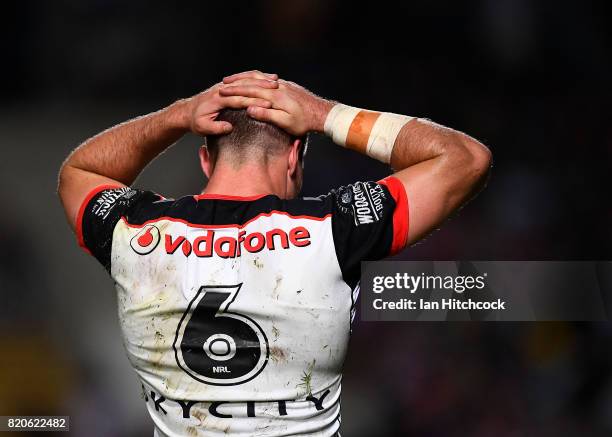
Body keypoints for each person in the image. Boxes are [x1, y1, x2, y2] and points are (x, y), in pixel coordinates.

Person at [58, 70, 491, 436]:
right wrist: (324, 114)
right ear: (294, 159)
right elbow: (464, 158)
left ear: (206, 159)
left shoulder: (134, 232)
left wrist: (179, 115)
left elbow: (80, 171)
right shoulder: (332, 231)